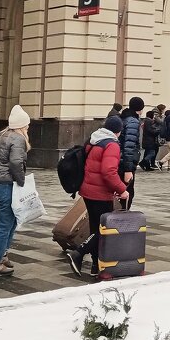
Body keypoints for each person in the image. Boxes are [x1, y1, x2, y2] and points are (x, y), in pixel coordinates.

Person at [66, 115, 130, 278]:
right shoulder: (112, 144)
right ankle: (79, 253)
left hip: (88, 191)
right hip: (100, 194)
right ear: (118, 131)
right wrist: (122, 189)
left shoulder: (94, 140)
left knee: (96, 228)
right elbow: (108, 172)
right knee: (105, 229)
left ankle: (96, 266)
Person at [0, 105, 31, 277]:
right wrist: (22, 182)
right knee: (5, 225)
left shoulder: (1, 136)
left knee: (11, 222)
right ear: (21, 125)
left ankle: (2, 255)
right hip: (6, 186)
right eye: (26, 124)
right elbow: (16, 163)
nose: (28, 127)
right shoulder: (18, 139)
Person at [117, 97, 143, 208]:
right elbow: (129, 146)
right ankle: (122, 218)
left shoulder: (124, 118)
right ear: (140, 108)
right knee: (127, 193)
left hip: (118, 160)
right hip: (125, 164)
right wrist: (128, 169)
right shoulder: (133, 121)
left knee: (120, 191)